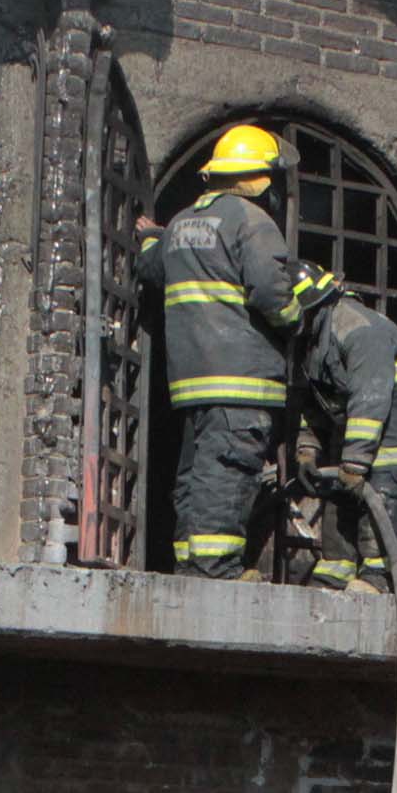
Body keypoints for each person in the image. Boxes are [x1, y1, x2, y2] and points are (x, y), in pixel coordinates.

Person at [134, 125, 309, 577]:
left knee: (197, 471)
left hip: (191, 379)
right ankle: (217, 567)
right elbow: (272, 291)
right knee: (230, 468)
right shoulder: (251, 221)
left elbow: (152, 267)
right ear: (260, 179)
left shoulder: (183, 223)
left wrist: (152, 237)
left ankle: (191, 561)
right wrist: (295, 320)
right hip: (240, 377)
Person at [289, 260, 397, 594]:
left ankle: (379, 577)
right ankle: (336, 570)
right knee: (340, 494)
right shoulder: (311, 342)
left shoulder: (355, 328)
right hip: (361, 425)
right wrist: (308, 450)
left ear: (310, 306)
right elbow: (314, 401)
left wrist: (355, 462)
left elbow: (371, 397)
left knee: (383, 493)